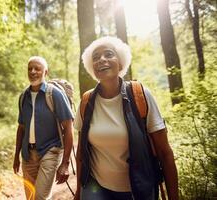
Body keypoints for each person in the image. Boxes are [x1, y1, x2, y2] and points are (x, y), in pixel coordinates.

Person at [74, 37, 178, 200]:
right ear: (92, 69)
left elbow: (164, 152)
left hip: (138, 189)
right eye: (95, 57)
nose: (102, 59)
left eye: (108, 54)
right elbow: (81, 153)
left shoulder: (140, 94)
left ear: (121, 63)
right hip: (95, 187)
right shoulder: (86, 101)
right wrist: (78, 193)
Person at [13, 56, 74, 200]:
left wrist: (65, 164)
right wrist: (16, 156)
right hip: (28, 155)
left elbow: (68, 128)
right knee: (31, 197)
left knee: (40, 197)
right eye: (30, 69)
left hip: (50, 152)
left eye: (37, 68)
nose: (33, 72)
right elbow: (21, 128)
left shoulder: (55, 94)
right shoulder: (23, 97)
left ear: (45, 72)